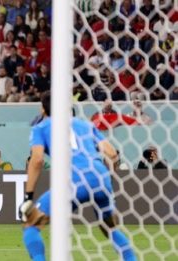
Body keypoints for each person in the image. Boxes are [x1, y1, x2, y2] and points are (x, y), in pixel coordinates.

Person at [19, 91, 136, 261]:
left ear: (43, 109)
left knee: (31, 225)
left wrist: (28, 196)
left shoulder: (41, 127)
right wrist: (104, 178)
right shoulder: (86, 125)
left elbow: (36, 160)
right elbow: (112, 154)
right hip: (101, 177)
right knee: (110, 227)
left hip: (73, 180)